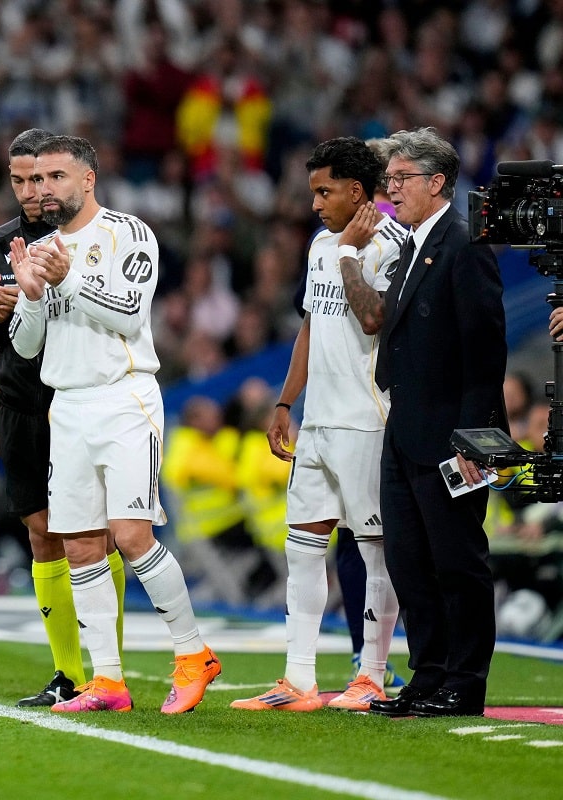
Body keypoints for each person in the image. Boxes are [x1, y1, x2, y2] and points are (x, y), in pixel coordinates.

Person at [8, 134, 220, 714]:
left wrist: (66, 279)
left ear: (87, 179)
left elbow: (129, 315)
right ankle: (107, 682)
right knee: (78, 544)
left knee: (131, 536)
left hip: (125, 401)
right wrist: (30, 294)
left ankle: (192, 654)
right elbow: (26, 347)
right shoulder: (45, 248)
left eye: (57, 177)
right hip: (68, 404)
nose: (45, 189)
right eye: (39, 178)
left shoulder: (129, 233)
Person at [231, 136, 404, 713]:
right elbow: (312, 323)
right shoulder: (320, 246)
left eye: (324, 191)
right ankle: (298, 680)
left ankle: (372, 676)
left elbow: (375, 320)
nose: (314, 203)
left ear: (357, 190)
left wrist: (350, 254)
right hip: (320, 423)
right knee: (303, 548)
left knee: (375, 551)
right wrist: (285, 403)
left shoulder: (393, 245)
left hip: (367, 420)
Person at [0, 127, 126, 707]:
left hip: (83, 400)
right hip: (23, 404)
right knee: (41, 532)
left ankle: (107, 671)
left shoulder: (99, 236)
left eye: (40, 178)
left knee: (98, 533)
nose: (31, 191)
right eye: (20, 180)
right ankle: (67, 671)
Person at [369, 127, 507, 718]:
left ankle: (464, 681)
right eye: (389, 179)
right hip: (405, 429)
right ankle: (427, 676)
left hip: (452, 434)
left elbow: (486, 349)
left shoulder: (463, 242)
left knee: (456, 559)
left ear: (436, 182)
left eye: (401, 179)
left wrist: (474, 439)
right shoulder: (413, 242)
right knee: (408, 559)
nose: (390, 189)